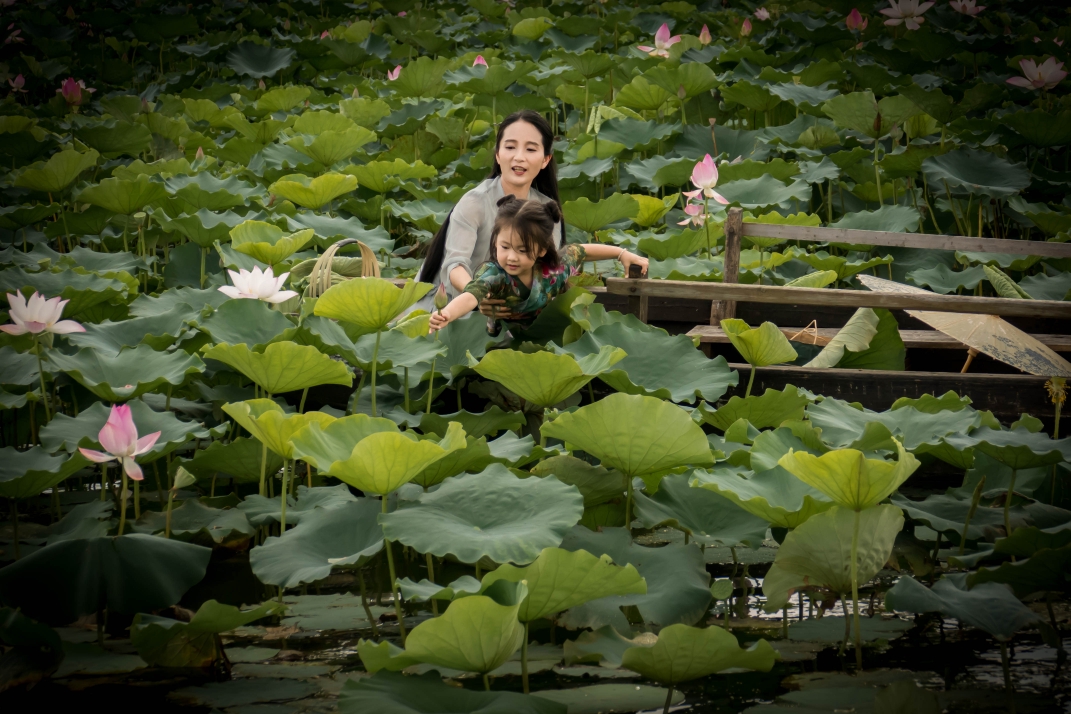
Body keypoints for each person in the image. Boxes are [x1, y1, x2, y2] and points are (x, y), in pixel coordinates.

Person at [412, 110, 564, 320]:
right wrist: (480, 296)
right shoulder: (474, 203)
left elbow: (547, 269)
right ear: (498, 154)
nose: (519, 157)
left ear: (546, 159)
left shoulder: (547, 208)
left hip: (514, 311)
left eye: (530, 149)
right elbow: (454, 266)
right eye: (510, 147)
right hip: (450, 310)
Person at [429, 196, 648, 333]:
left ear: (542, 249)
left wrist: (622, 254)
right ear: (495, 241)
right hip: (503, 341)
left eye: (522, 250)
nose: (512, 257)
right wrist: (446, 314)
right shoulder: (494, 274)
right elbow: (471, 295)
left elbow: (581, 250)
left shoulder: (554, 271)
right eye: (504, 247)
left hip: (549, 335)